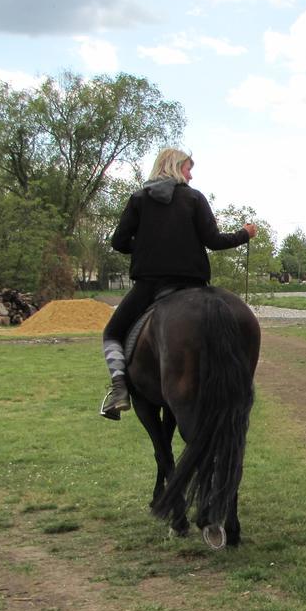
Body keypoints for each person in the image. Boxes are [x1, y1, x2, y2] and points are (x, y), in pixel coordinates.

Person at [99, 148, 258, 419]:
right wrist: (244, 234)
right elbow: (214, 241)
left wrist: (145, 246)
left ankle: (119, 390)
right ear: (174, 167)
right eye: (188, 168)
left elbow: (118, 242)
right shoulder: (194, 199)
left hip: (150, 285)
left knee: (112, 333)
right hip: (191, 284)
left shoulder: (139, 200)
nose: (191, 175)